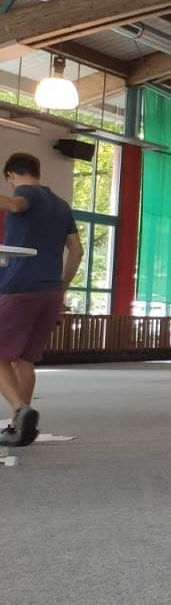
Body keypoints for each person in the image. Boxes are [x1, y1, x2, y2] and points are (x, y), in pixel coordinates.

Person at [0, 152, 82, 447]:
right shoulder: (61, 205)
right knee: (25, 360)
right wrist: (62, 286)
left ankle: (20, 410)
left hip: (20, 287)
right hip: (50, 292)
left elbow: (15, 205)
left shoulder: (26, 193)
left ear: (11, 175)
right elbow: (77, 251)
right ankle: (19, 428)